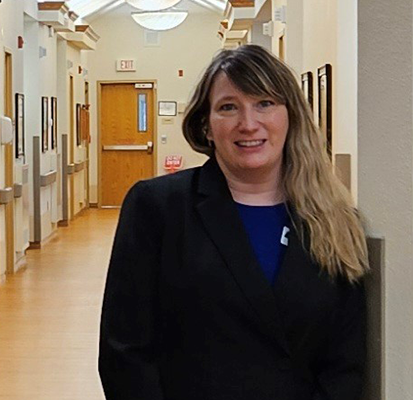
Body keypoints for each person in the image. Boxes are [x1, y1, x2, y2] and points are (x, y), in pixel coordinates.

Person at [98, 44, 368, 400]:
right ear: (206, 126)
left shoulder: (335, 220)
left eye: (265, 103)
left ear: (290, 117)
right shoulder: (157, 208)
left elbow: (346, 360)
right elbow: (124, 350)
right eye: (228, 107)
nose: (248, 123)